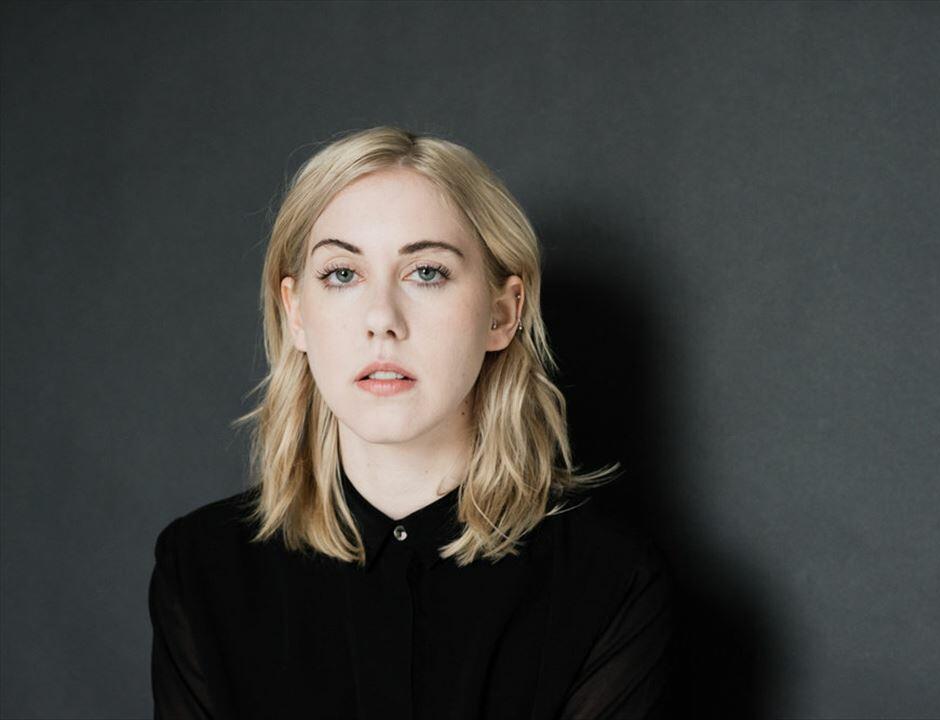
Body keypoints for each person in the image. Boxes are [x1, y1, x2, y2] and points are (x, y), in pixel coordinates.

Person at [148, 126, 675, 719]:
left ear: (503, 313)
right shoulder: (200, 570)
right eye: (342, 274)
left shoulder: (609, 582)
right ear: (295, 313)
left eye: (426, 272)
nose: (382, 319)